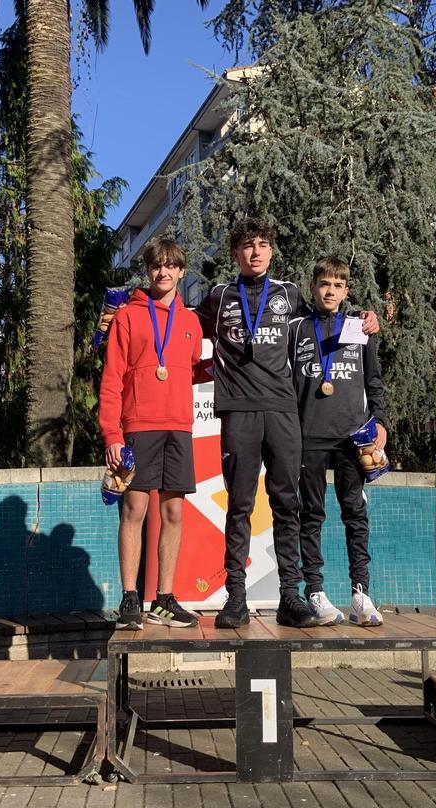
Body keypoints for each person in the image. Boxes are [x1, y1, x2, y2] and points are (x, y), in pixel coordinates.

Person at [195, 218, 379, 629]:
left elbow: (326, 315)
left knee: (287, 505)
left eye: (262, 244)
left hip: (283, 414)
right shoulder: (218, 296)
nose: (255, 252)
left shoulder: (289, 294)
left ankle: (290, 598)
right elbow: (183, 329)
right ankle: (236, 597)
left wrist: (366, 318)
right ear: (235, 253)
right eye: (246, 245)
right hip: (238, 411)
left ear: (272, 251)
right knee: (240, 505)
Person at [99, 237, 203, 629]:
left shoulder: (190, 321)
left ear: (181, 271)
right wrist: (112, 434)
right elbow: (111, 380)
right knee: (135, 509)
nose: (163, 272)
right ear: (149, 271)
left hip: (178, 425)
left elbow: (190, 369)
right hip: (138, 425)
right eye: (156, 266)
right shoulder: (127, 317)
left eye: (171, 266)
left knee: (173, 511)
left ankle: (163, 598)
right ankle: (130, 597)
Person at [290, 256, 387, 626]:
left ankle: (361, 594)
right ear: (313, 287)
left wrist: (380, 421)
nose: (330, 291)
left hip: (353, 437)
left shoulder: (360, 327)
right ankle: (314, 591)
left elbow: (373, 381)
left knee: (355, 515)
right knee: (310, 515)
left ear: (346, 291)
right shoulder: (297, 329)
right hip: (309, 436)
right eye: (324, 283)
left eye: (338, 285)